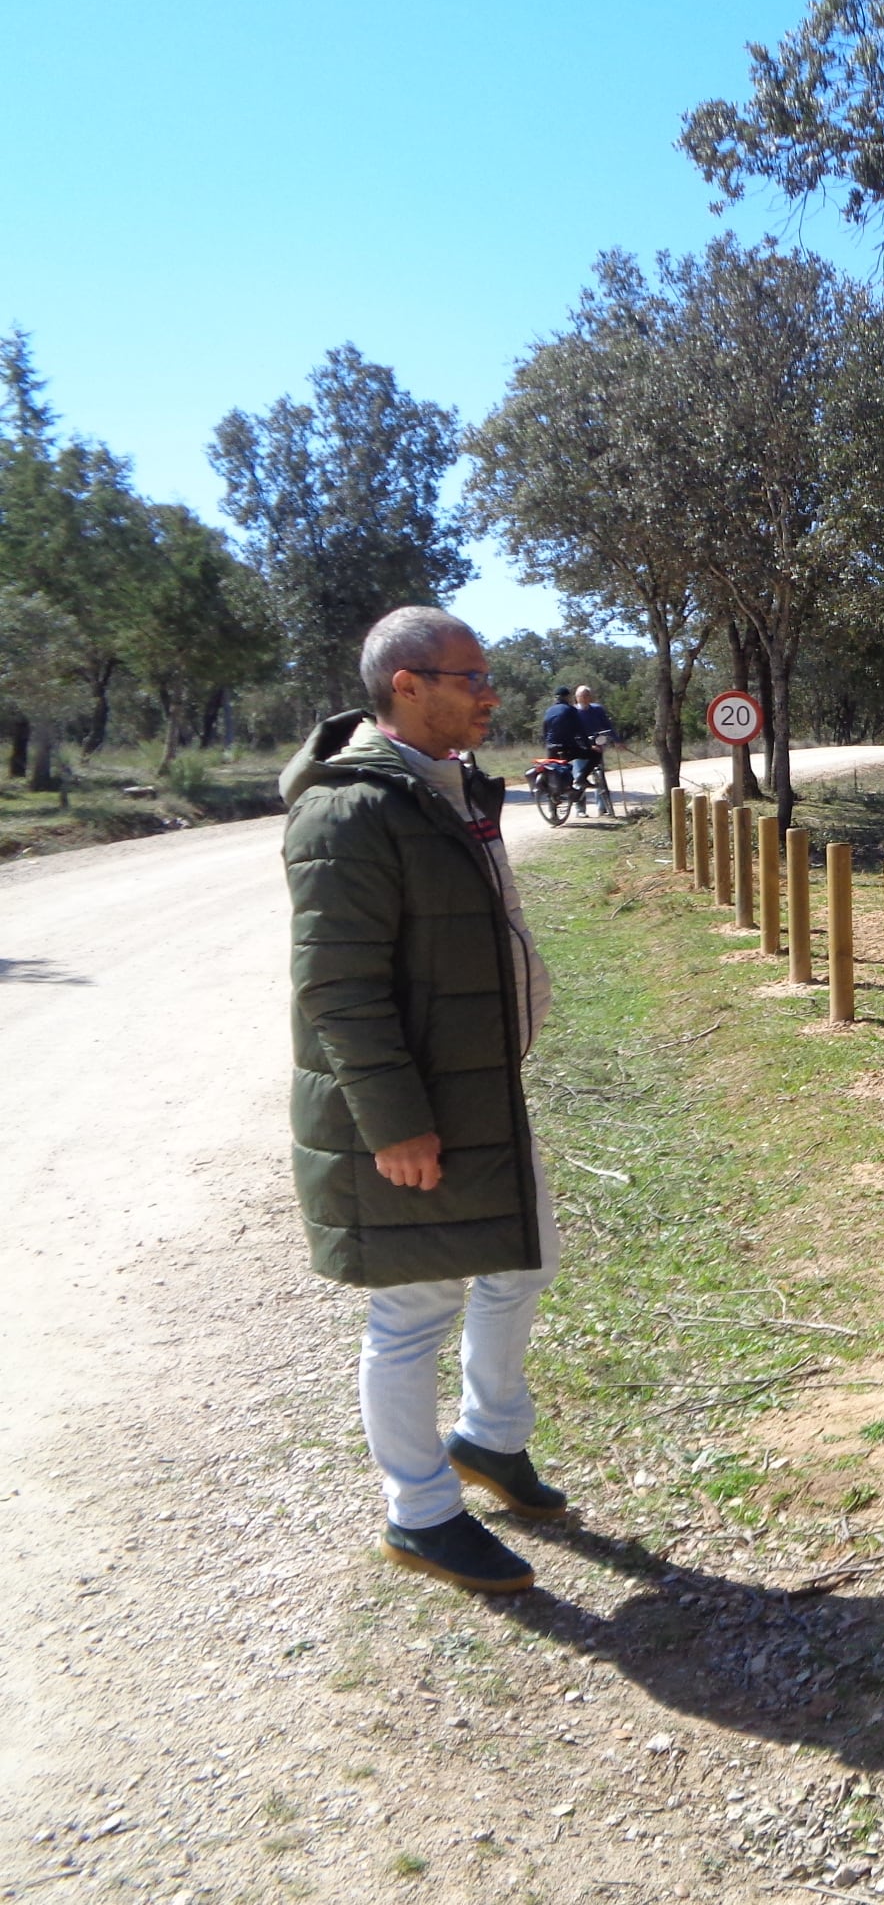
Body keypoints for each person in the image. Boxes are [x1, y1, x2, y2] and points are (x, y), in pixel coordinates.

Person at [279, 607, 570, 1594]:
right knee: (413, 1312)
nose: (491, 693)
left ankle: (489, 1439)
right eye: (471, 676)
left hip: (482, 1087)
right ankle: (420, 1513)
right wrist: (396, 1125)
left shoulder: (450, 788)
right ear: (407, 683)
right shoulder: (349, 811)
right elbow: (339, 990)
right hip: (414, 1112)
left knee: (524, 1260)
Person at [569, 685, 617, 814]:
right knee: (579, 777)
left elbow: (607, 726)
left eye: (586, 696)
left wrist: (617, 740)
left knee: (600, 777)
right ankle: (580, 809)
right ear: (576, 697)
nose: (584, 699)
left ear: (590, 697)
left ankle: (603, 807)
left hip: (597, 745)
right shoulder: (572, 712)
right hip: (581, 748)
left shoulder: (597, 709)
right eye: (581, 696)